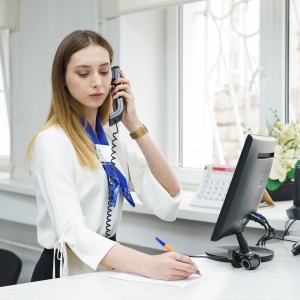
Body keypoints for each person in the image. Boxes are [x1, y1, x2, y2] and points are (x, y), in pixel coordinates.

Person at [26, 30, 200, 282]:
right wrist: (149, 264)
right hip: (65, 273)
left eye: (105, 71)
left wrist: (133, 123)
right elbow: (73, 232)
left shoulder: (110, 139)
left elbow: (169, 192)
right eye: (84, 73)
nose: (97, 82)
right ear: (62, 79)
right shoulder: (51, 141)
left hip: (106, 270)